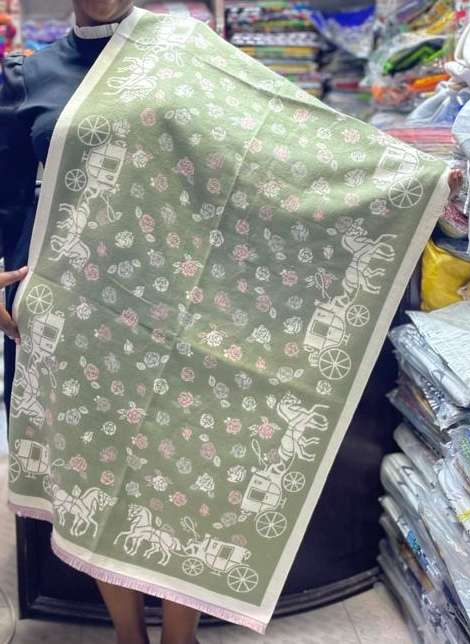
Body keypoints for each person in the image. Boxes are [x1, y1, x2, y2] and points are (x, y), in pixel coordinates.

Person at [0, 3, 202, 643]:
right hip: (69, 315)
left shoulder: (188, 56)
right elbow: (6, 196)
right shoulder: (31, 76)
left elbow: (267, 151)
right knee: (92, 473)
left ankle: (180, 637)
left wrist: (409, 178)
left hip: (171, 305)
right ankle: (128, 636)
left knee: (175, 474)